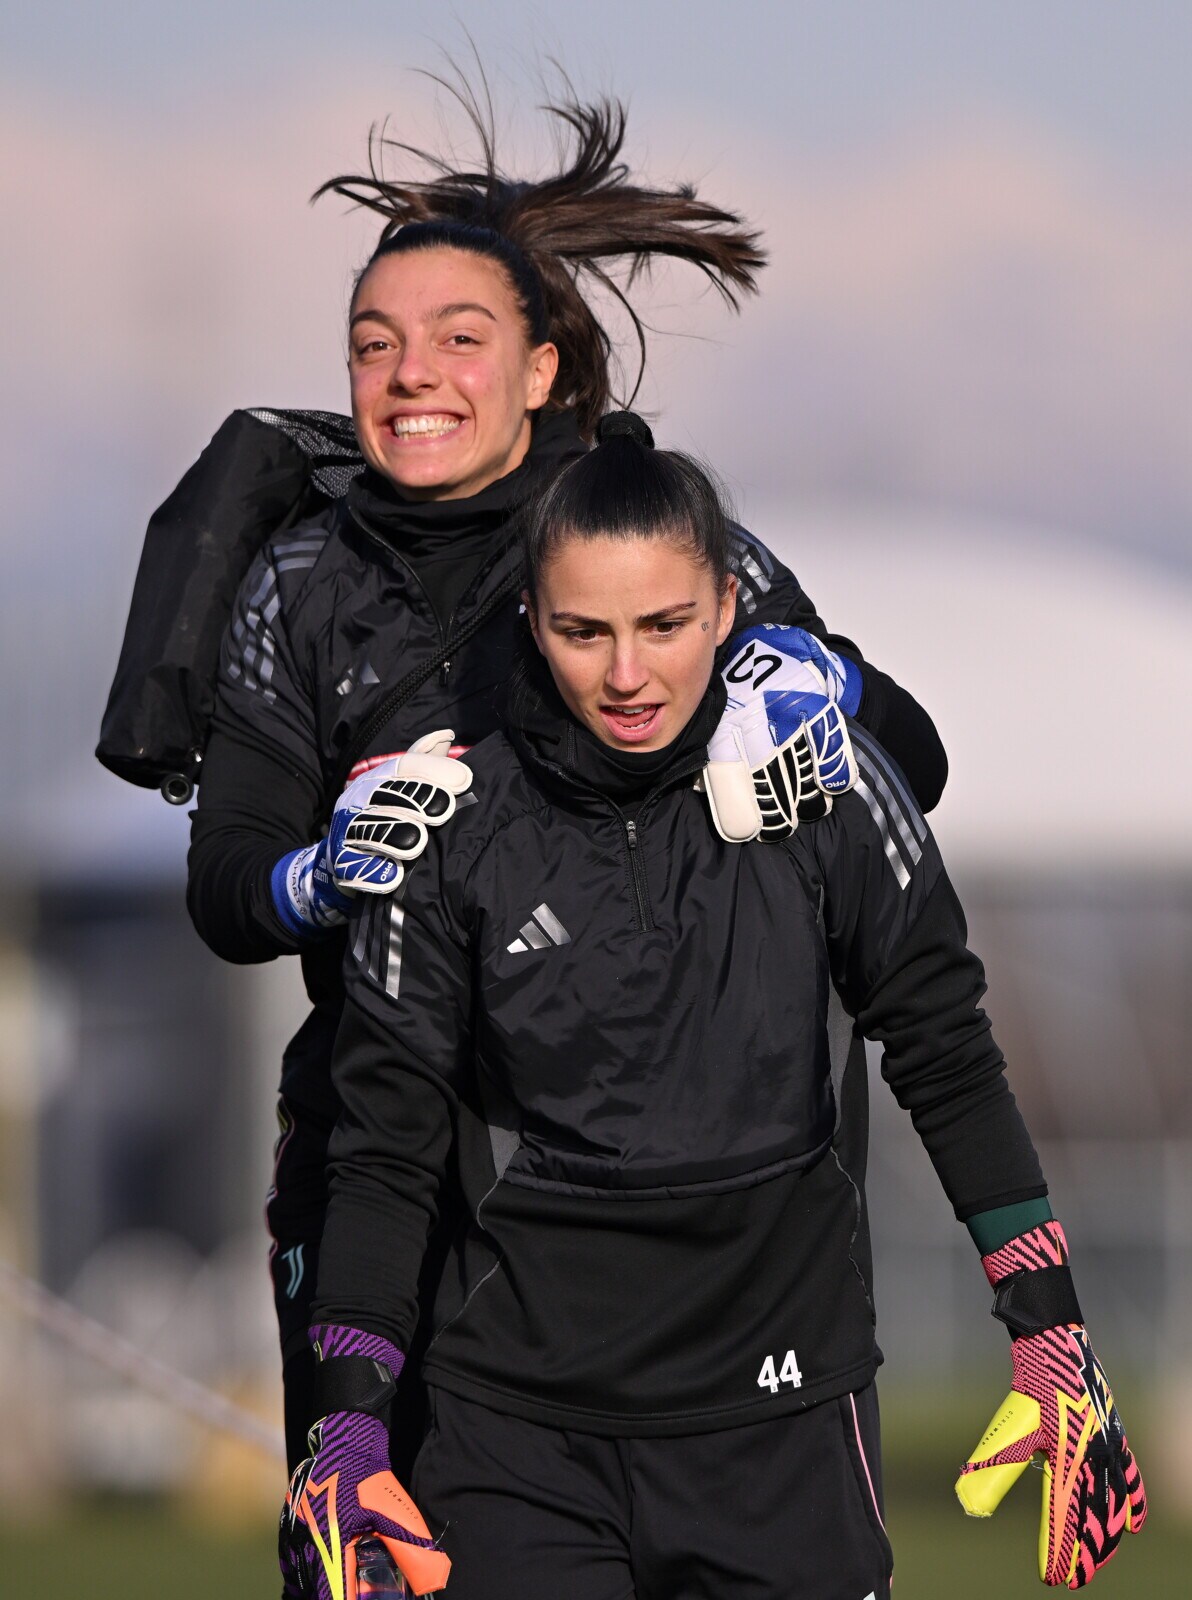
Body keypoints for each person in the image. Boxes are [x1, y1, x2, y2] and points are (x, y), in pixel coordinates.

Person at [175, 89, 948, 1481]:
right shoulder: (297, 583)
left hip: (678, 1205)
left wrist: (824, 688)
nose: (411, 373)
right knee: (367, 1548)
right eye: (374, 344)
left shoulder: (643, 540)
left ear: (540, 372)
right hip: (384, 1162)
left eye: (458, 340)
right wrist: (319, 875)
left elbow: (916, 772)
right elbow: (227, 887)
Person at [281, 415, 1146, 1600]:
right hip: (514, 1438)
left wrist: (1049, 1330)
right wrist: (347, 1426)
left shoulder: (831, 789)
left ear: (729, 607)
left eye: (665, 624)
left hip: (782, 1428)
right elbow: (386, 1143)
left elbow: (946, 1051)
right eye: (583, 631)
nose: (626, 674)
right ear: (531, 619)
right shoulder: (447, 826)